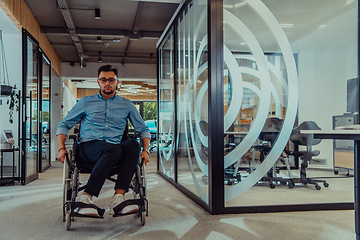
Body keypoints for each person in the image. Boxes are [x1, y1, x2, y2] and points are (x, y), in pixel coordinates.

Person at [56, 64, 150, 217]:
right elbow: (64, 124)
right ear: (98, 82)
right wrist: (61, 148)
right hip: (88, 148)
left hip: (114, 150)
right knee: (114, 148)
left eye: (111, 80)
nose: (107, 83)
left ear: (116, 82)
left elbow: (143, 129)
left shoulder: (127, 105)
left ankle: (118, 198)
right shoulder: (85, 102)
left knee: (132, 144)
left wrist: (145, 150)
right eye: (104, 80)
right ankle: (85, 197)